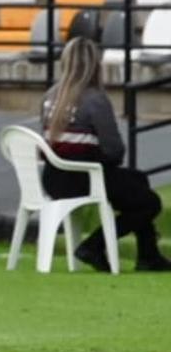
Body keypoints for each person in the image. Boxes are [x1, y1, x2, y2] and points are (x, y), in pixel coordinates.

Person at [41, 37, 171, 272]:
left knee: (138, 180)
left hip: (52, 178)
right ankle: (94, 246)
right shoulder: (94, 99)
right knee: (149, 203)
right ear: (95, 65)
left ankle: (149, 255)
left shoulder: (50, 95)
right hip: (83, 179)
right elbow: (114, 150)